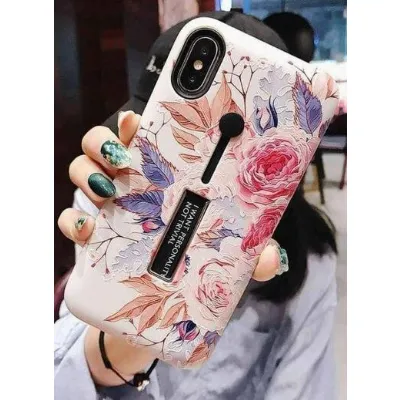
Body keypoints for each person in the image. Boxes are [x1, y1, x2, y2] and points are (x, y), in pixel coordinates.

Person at [55, 11, 338, 400]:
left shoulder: (312, 261)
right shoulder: (106, 199)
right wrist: (122, 341)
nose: (178, 162)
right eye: (164, 128)